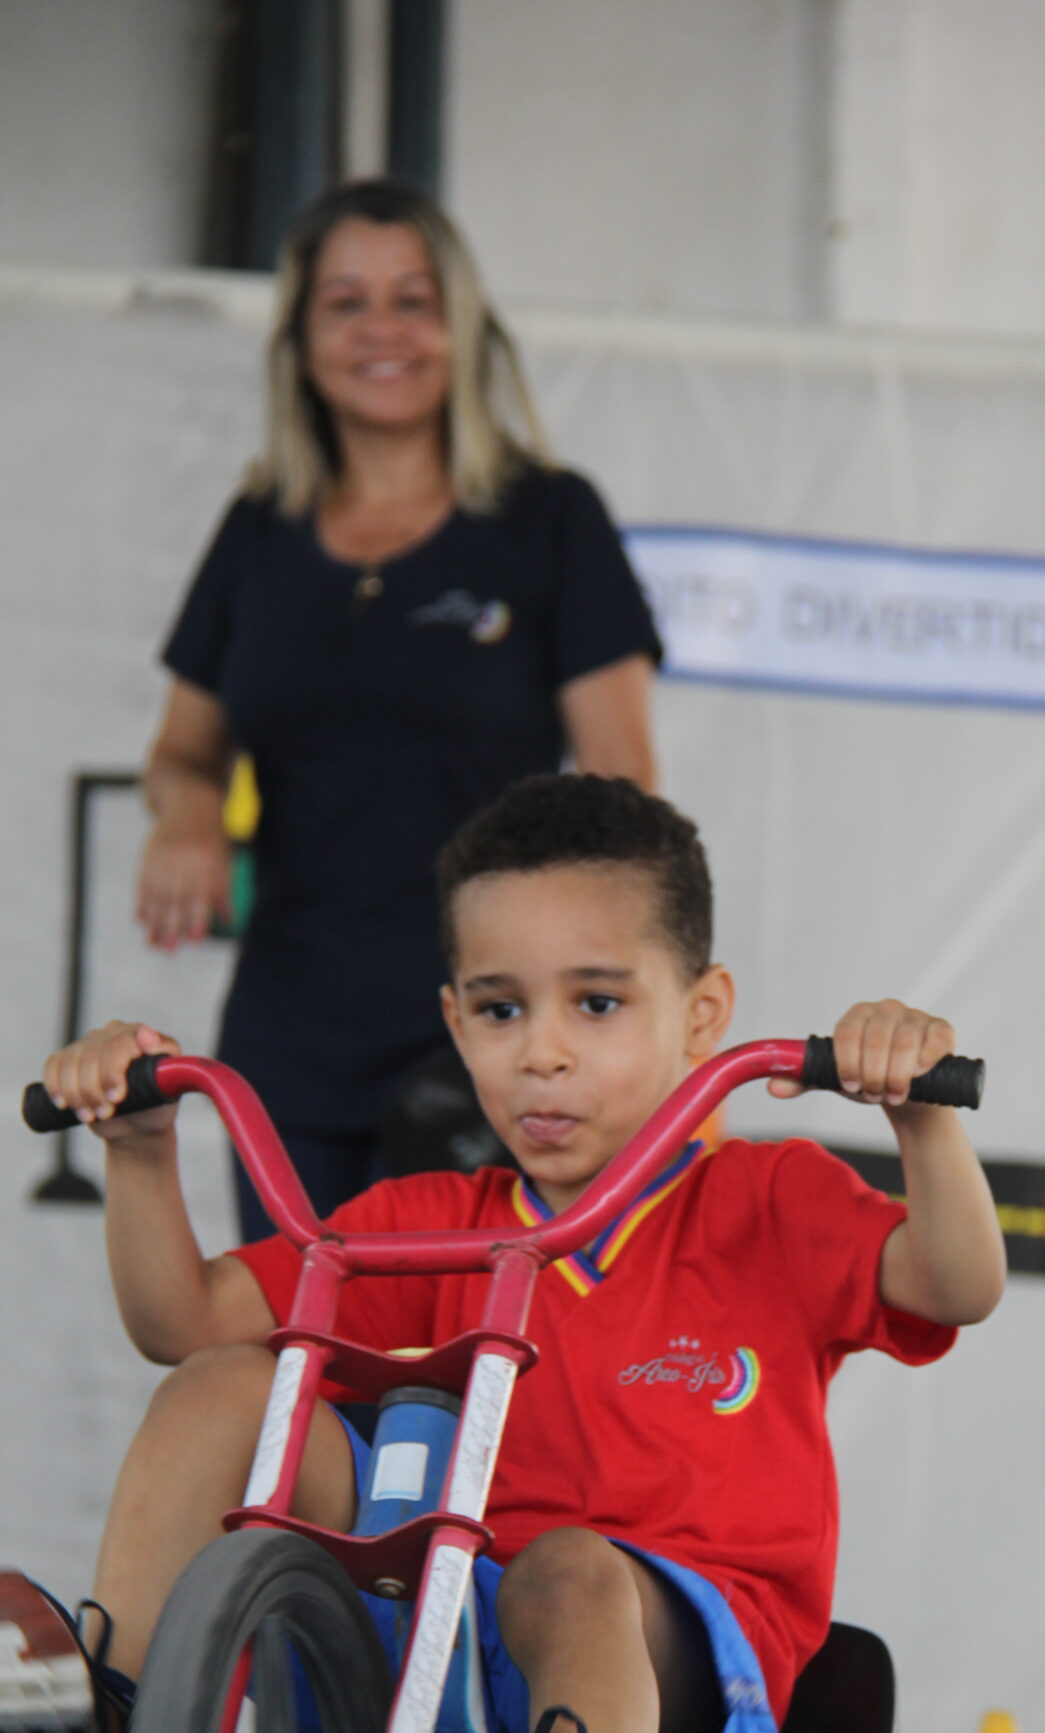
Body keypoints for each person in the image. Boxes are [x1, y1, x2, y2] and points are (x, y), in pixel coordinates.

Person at [39, 774, 1007, 1733]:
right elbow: (181, 1320)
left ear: (702, 1016)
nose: (541, 1052)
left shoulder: (768, 1200)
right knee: (222, 1384)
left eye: (595, 1004)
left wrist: (919, 1116)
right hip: (432, 1641)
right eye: (501, 1010)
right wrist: (139, 1150)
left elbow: (955, 1284)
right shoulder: (424, 1221)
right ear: (454, 1020)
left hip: (671, 1664)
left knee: (565, 1570)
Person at [139, 178, 661, 1240]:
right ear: (302, 340)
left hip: (489, 1029)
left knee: (461, 1337)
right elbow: (182, 752)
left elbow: (623, 789)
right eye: (346, 303)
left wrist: (598, 1012)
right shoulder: (258, 532)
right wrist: (188, 814)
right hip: (292, 1027)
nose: (382, 329)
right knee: (296, 1332)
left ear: (460, 327)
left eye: (413, 300)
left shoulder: (548, 519)